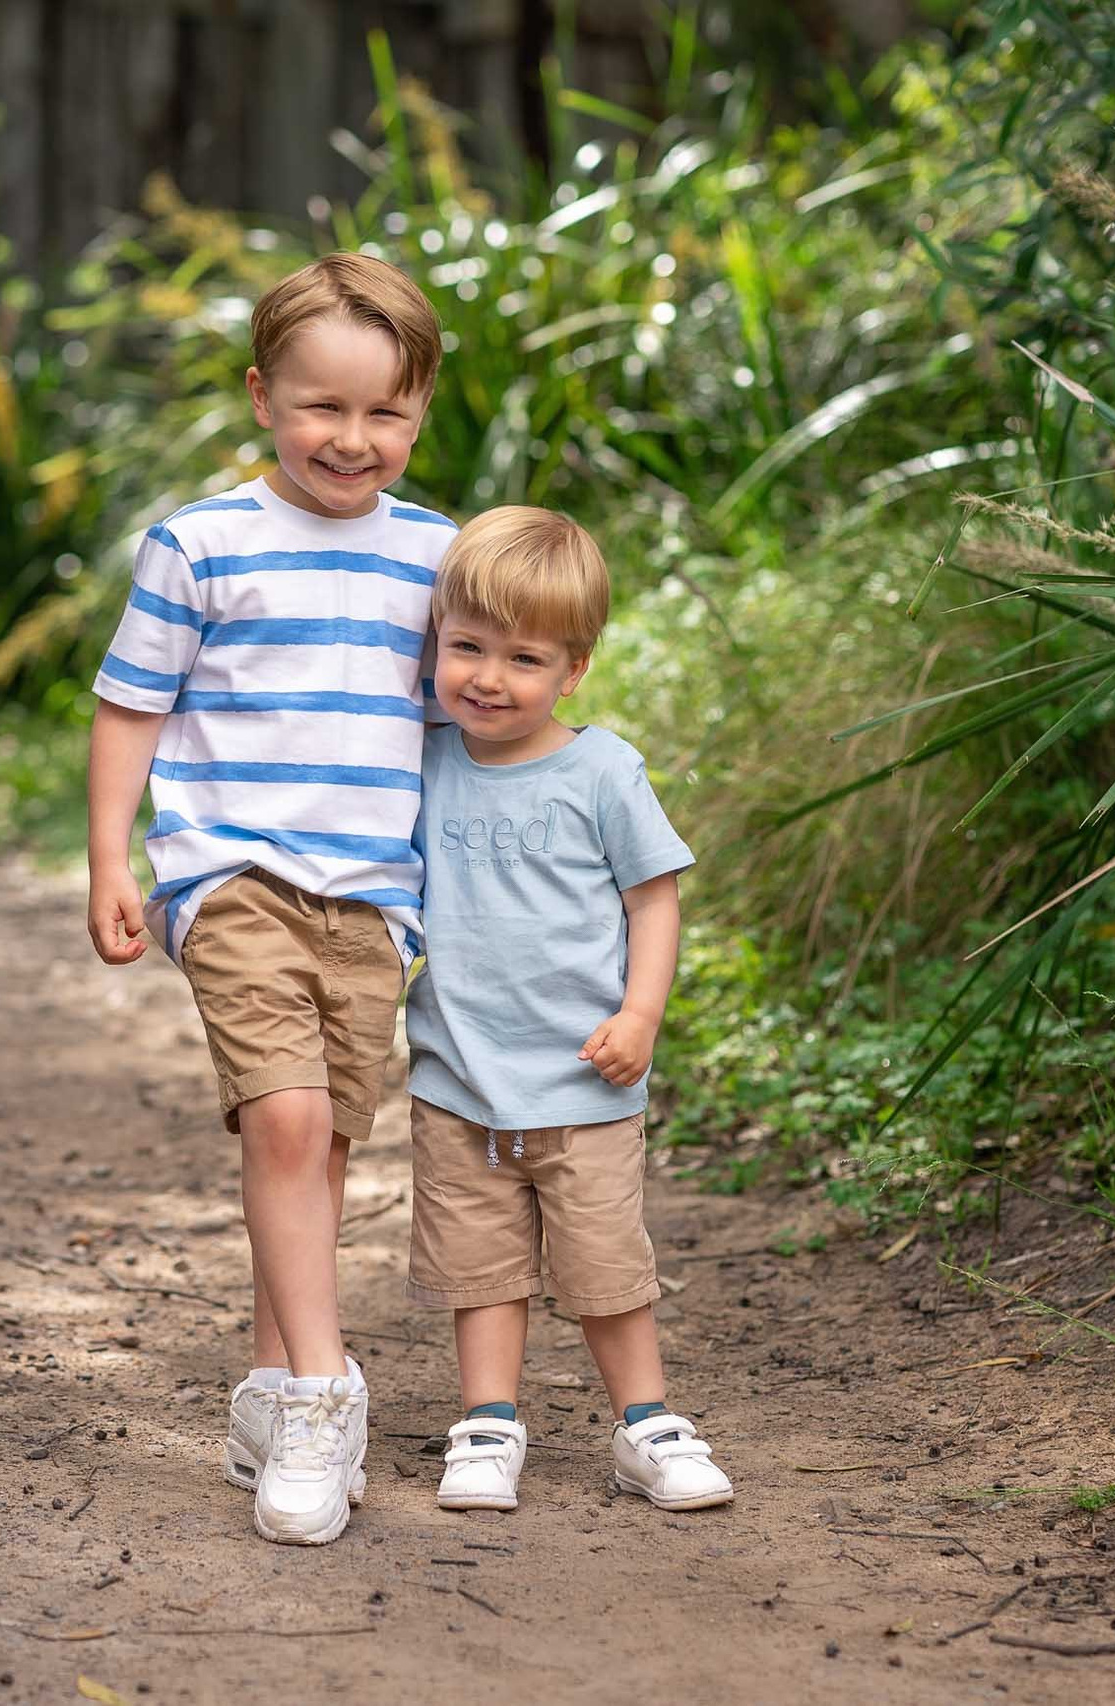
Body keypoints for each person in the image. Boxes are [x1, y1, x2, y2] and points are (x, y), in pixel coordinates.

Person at [83, 252, 455, 1545]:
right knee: (290, 1120)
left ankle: (262, 1392)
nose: (352, 440)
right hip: (231, 874)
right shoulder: (201, 544)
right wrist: (112, 858)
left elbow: (461, 731)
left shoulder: (438, 558)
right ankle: (318, 1390)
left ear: (419, 414)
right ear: (260, 396)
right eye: (322, 408)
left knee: (316, 1145)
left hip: (375, 900)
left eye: (385, 414)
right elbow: (130, 705)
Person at [404, 506, 736, 1515]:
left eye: (523, 657)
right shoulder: (420, 761)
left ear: (573, 668)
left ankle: (647, 1426)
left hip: (583, 1084)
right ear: (434, 642)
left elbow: (653, 896)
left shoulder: (601, 769)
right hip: (457, 1077)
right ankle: (488, 1425)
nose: (488, 677)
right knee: (480, 1266)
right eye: (465, 647)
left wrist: (640, 1014)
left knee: (603, 1266)